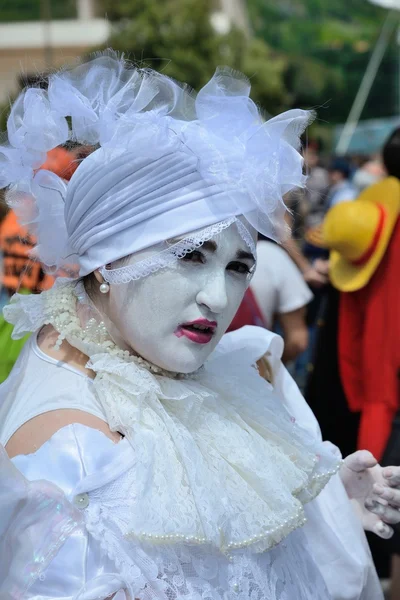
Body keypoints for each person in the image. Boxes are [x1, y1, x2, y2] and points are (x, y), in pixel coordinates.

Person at [0, 52, 397, 600]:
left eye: (239, 267)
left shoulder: (218, 375)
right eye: (189, 255)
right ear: (109, 261)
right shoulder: (75, 453)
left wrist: (326, 511)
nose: (217, 298)